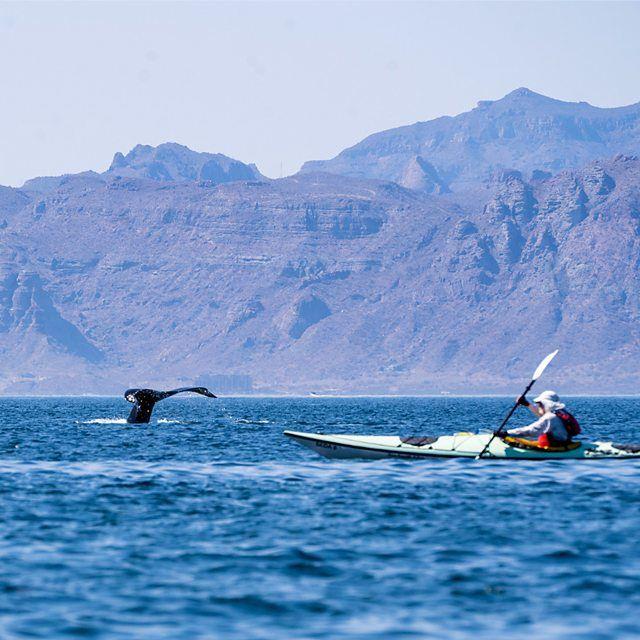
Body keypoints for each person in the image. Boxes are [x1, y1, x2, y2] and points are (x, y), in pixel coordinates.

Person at [504, 390, 572, 447]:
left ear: (545, 404)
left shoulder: (550, 417)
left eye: (539, 404)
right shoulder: (561, 413)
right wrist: (527, 404)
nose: (538, 406)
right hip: (563, 444)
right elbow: (541, 414)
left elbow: (530, 431)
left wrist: (507, 433)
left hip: (555, 447)